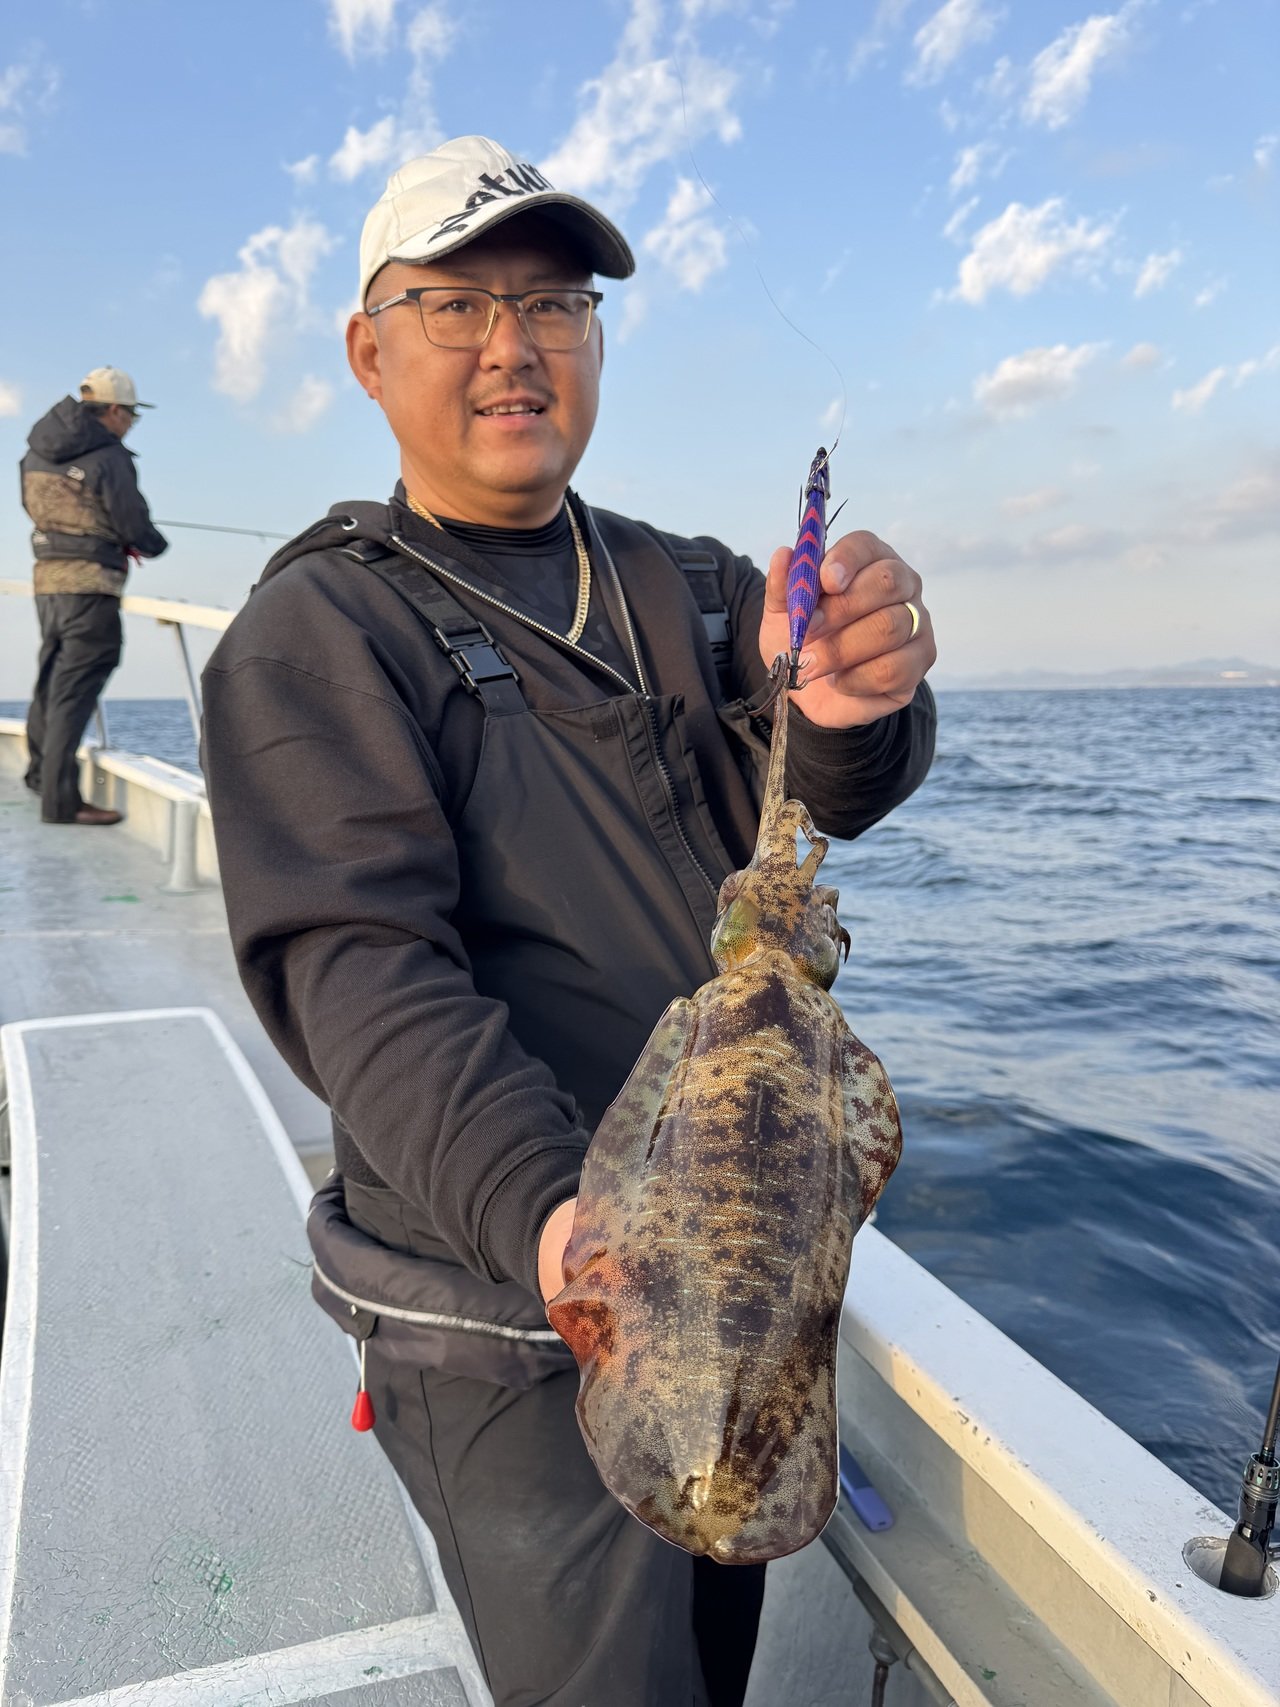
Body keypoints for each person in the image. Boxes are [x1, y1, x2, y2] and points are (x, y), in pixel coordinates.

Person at [201, 135, 937, 1707]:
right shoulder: (319, 631)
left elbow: (825, 784)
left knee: (718, 1634)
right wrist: (568, 1224)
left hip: (739, 1265)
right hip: (510, 1304)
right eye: (458, 304)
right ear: (369, 351)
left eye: (552, 302)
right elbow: (359, 974)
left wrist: (858, 701)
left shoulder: (694, 584)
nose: (512, 344)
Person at [19, 367, 168, 825]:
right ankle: (60, 803)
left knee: (51, 679)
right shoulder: (109, 455)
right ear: (115, 411)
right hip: (91, 587)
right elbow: (132, 524)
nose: (131, 425)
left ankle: (39, 777)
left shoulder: (36, 452)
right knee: (75, 688)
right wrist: (155, 544)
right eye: (132, 416)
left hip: (48, 583)